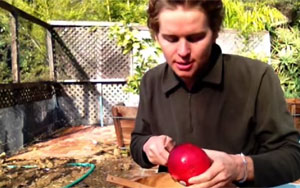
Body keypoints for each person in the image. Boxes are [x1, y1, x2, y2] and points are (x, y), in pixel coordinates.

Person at [130, 0, 300, 187]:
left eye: (195, 38)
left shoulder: (257, 77)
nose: (183, 52)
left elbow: (292, 157)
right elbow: (138, 141)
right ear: (156, 36)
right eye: (171, 39)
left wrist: (239, 167)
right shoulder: (151, 81)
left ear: (215, 32)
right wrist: (148, 145)